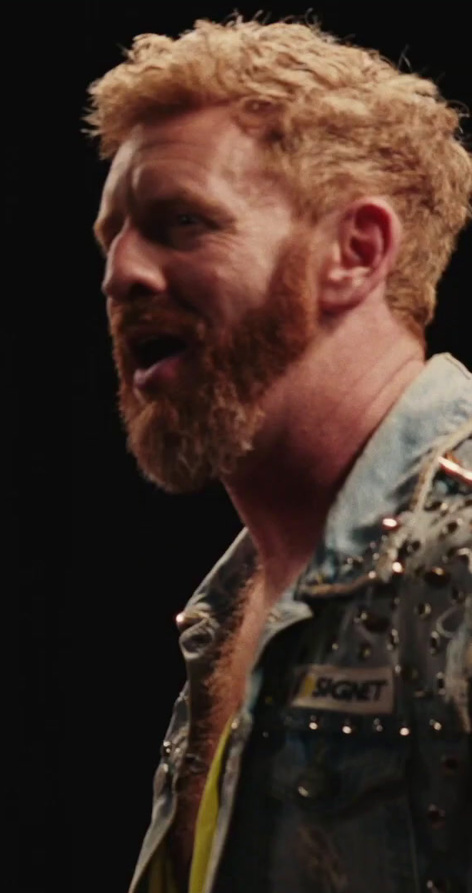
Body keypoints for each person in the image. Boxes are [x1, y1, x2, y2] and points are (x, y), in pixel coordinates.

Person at [86, 16, 472, 893]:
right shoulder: (230, 605)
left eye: (181, 221)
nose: (121, 274)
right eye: (111, 236)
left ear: (358, 251)